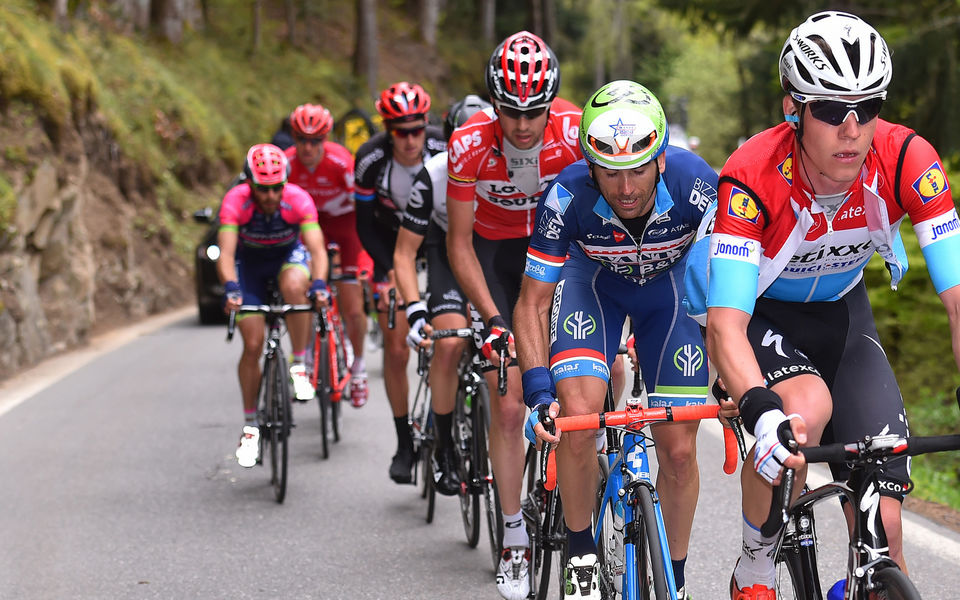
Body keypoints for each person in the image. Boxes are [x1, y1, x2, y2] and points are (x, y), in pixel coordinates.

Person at [682, 11, 960, 599]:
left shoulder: (909, 158)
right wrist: (757, 409)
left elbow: (959, 299)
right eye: (832, 110)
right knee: (799, 417)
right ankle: (756, 562)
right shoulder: (752, 175)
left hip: (841, 309)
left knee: (883, 515)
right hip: (758, 314)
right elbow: (726, 326)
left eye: (868, 105)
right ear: (794, 108)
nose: (852, 128)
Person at [518, 80, 717, 600]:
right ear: (590, 167)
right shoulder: (566, 195)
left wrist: (734, 380)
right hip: (594, 289)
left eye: (637, 171)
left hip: (668, 299)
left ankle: (675, 575)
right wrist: (539, 392)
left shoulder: (700, 185)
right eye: (610, 173)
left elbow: (727, 292)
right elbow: (533, 303)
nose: (626, 188)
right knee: (579, 421)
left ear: (662, 161)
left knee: (677, 451)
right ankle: (580, 550)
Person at [445, 30, 582, 600]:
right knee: (506, 406)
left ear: (552, 104)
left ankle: (588, 486)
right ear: (493, 104)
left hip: (561, 256)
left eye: (534, 112)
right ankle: (513, 538)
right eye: (510, 112)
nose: (523, 125)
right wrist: (491, 317)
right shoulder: (468, 143)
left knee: (593, 384)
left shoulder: (576, 132)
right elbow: (457, 244)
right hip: (498, 260)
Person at [393, 95, 493, 496]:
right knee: (450, 342)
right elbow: (403, 253)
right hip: (446, 250)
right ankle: (446, 447)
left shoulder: (516, 168)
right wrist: (415, 309)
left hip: (492, 250)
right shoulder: (433, 175)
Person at [354, 82, 446, 483]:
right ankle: (404, 442)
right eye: (400, 131)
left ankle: (447, 421)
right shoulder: (370, 159)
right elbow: (363, 225)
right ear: (387, 130)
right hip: (391, 245)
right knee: (395, 344)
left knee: (451, 331)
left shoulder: (445, 146)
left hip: (439, 241)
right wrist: (387, 268)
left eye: (417, 129)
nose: (410, 140)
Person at [217, 143, 329, 468]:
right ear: (249, 183)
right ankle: (251, 422)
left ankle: (299, 366)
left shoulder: (297, 199)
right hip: (248, 267)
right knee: (252, 344)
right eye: (263, 189)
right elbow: (225, 253)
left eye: (277, 187)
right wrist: (230, 289)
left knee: (296, 287)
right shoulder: (235, 201)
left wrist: (319, 283)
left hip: (286, 258)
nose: (271, 196)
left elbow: (317, 249)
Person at [285, 103, 371, 407]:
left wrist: (365, 257)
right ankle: (306, 355)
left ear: (326, 139)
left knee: (352, 305)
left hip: (344, 225)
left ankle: (358, 368)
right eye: (301, 139)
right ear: (293, 138)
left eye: (316, 140)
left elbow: (363, 208)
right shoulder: (286, 164)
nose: (308, 147)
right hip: (308, 228)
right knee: (299, 289)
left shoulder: (340, 162)